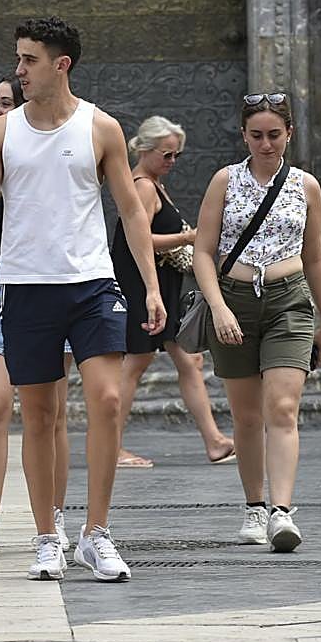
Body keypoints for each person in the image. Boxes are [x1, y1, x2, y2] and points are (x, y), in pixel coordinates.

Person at [0, 17, 165, 582]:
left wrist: (149, 284)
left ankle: (96, 533)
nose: (19, 69)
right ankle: (47, 535)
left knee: (104, 400)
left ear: (61, 64)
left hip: (93, 285)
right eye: (18, 58)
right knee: (41, 415)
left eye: (29, 59)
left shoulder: (100, 128)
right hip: (26, 286)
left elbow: (129, 210)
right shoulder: (2, 133)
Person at [191, 92, 321, 553]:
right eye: (257, 135)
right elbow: (203, 251)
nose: (266, 144)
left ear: (289, 134)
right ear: (244, 135)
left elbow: (315, 257)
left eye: (275, 135)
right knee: (247, 415)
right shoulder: (224, 181)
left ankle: (282, 512)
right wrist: (218, 306)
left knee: (283, 409)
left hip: (289, 300)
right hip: (233, 299)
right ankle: (254, 505)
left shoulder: (306, 186)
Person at [0, 75, 72, 557]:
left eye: (7, 102)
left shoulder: (58, 143)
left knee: (51, 414)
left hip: (51, 277)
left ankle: (55, 516)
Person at [113, 115, 236, 467]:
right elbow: (139, 239)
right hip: (142, 286)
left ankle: (214, 440)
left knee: (190, 359)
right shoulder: (143, 186)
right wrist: (187, 237)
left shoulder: (154, 184)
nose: (172, 162)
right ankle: (112, 445)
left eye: (176, 155)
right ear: (147, 150)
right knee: (135, 363)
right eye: (167, 155)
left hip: (162, 286)